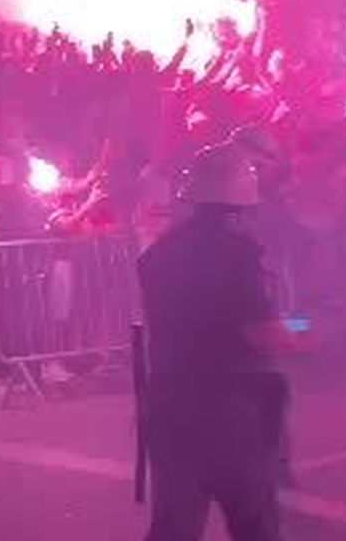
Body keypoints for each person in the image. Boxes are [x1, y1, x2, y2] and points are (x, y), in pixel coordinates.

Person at [137, 142, 304, 541]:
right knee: (255, 524)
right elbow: (261, 331)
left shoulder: (161, 251)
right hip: (229, 414)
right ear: (242, 202)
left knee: (174, 530)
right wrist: (304, 330)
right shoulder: (235, 254)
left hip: (169, 408)